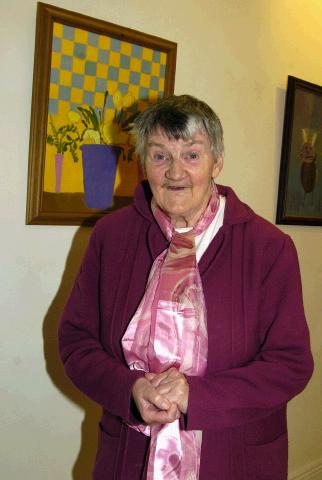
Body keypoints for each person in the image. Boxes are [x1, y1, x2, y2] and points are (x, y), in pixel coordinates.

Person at [59, 95, 313, 480]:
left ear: (218, 160)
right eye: (160, 156)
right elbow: (76, 341)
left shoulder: (269, 248)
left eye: (192, 155)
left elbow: (291, 365)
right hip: (128, 457)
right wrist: (129, 389)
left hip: (234, 459)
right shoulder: (111, 237)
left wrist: (197, 396)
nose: (175, 173)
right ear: (144, 163)